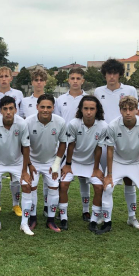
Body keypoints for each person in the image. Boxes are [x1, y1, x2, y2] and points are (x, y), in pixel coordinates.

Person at [94, 59, 139, 229]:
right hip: (105, 142)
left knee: (129, 180)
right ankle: (100, 214)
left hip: (126, 142)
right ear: (105, 74)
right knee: (104, 180)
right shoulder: (98, 91)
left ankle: (131, 216)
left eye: (115, 73)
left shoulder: (130, 90)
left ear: (120, 74)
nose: (111, 76)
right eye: (108, 73)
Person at [101, 96, 139, 241]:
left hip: (136, 162)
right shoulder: (113, 125)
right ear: (120, 111)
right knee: (108, 187)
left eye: (131, 109)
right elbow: (110, 150)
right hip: (118, 160)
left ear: (137, 110)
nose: (128, 112)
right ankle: (107, 223)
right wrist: (109, 174)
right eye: (124, 109)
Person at [59, 96, 107, 233]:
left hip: (91, 163)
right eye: (86, 108)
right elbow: (71, 145)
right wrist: (67, 164)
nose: (89, 112)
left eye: (92, 109)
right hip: (73, 161)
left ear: (97, 110)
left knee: (99, 188)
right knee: (63, 185)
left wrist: (96, 168)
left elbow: (99, 149)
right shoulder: (74, 123)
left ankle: (93, 220)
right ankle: (63, 217)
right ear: (81, 109)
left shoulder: (103, 126)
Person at [0, 96, 31, 235]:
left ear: (16, 110)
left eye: (11, 108)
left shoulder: (22, 124)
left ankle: (24, 223)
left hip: (17, 161)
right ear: (0, 111)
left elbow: (26, 147)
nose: (8, 112)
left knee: (26, 185)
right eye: (5, 109)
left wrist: (24, 171)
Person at [23, 94, 67, 234]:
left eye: (49, 107)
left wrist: (56, 164)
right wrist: (29, 164)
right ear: (37, 107)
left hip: (51, 162)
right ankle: (33, 218)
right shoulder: (28, 122)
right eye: (42, 107)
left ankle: (51, 220)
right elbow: (24, 145)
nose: (45, 110)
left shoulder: (60, 122)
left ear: (53, 108)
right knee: (32, 188)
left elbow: (63, 143)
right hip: (33, 162)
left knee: (54, 188)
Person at [0, 66, 25, 217]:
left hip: (14, 135)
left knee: (16, 179)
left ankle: (16, 205)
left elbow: (20, 114)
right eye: (1, 76)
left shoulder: (18, 94)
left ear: (11, 78)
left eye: (6, 76)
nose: (3, 79)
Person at [53, 67, 89, 220]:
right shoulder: (60, 100)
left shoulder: (88, 99)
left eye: (78, 78)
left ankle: (86, 210)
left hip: (84, 144)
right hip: (64, 144)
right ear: (68, 80)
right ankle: (56, 209)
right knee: (60, 178)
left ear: (83, 81)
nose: (75, 81)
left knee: (84, 178)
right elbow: (57, 123)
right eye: (72, 78)